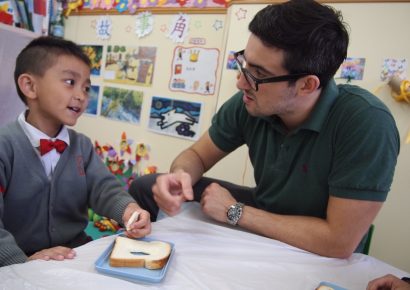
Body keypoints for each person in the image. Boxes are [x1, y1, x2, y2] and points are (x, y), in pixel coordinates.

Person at [129, 0, 400, 258]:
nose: (241, 83)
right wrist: (179, 177)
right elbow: (197, 156)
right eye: (244, 63)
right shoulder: (251, 102)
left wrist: (235, 211)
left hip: (317, 238)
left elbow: (339, 242)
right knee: (146, 185)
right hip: (265, 208)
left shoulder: (366, 123)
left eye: (258, 74)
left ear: (307, 85)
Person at [0, 36, 151, 267]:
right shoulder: (4, 145)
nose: (81, 95)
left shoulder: (82, 146)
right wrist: (21, 265)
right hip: (19, 259)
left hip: (75, 252)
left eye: (86, 87)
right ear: (30, 86)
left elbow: (104, 189)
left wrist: (129, 210)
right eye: (70, 82)